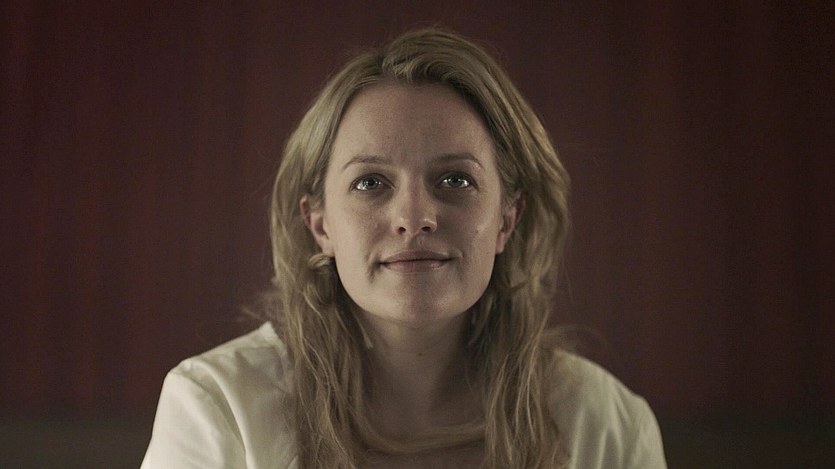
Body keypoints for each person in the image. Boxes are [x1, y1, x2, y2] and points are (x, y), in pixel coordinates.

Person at [141, 28, 667, 469]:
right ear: (319, 225)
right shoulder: (218, 409)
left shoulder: (606, 427)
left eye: (455, 180)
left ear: (507, 219)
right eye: (370, 182)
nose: (414, 218)